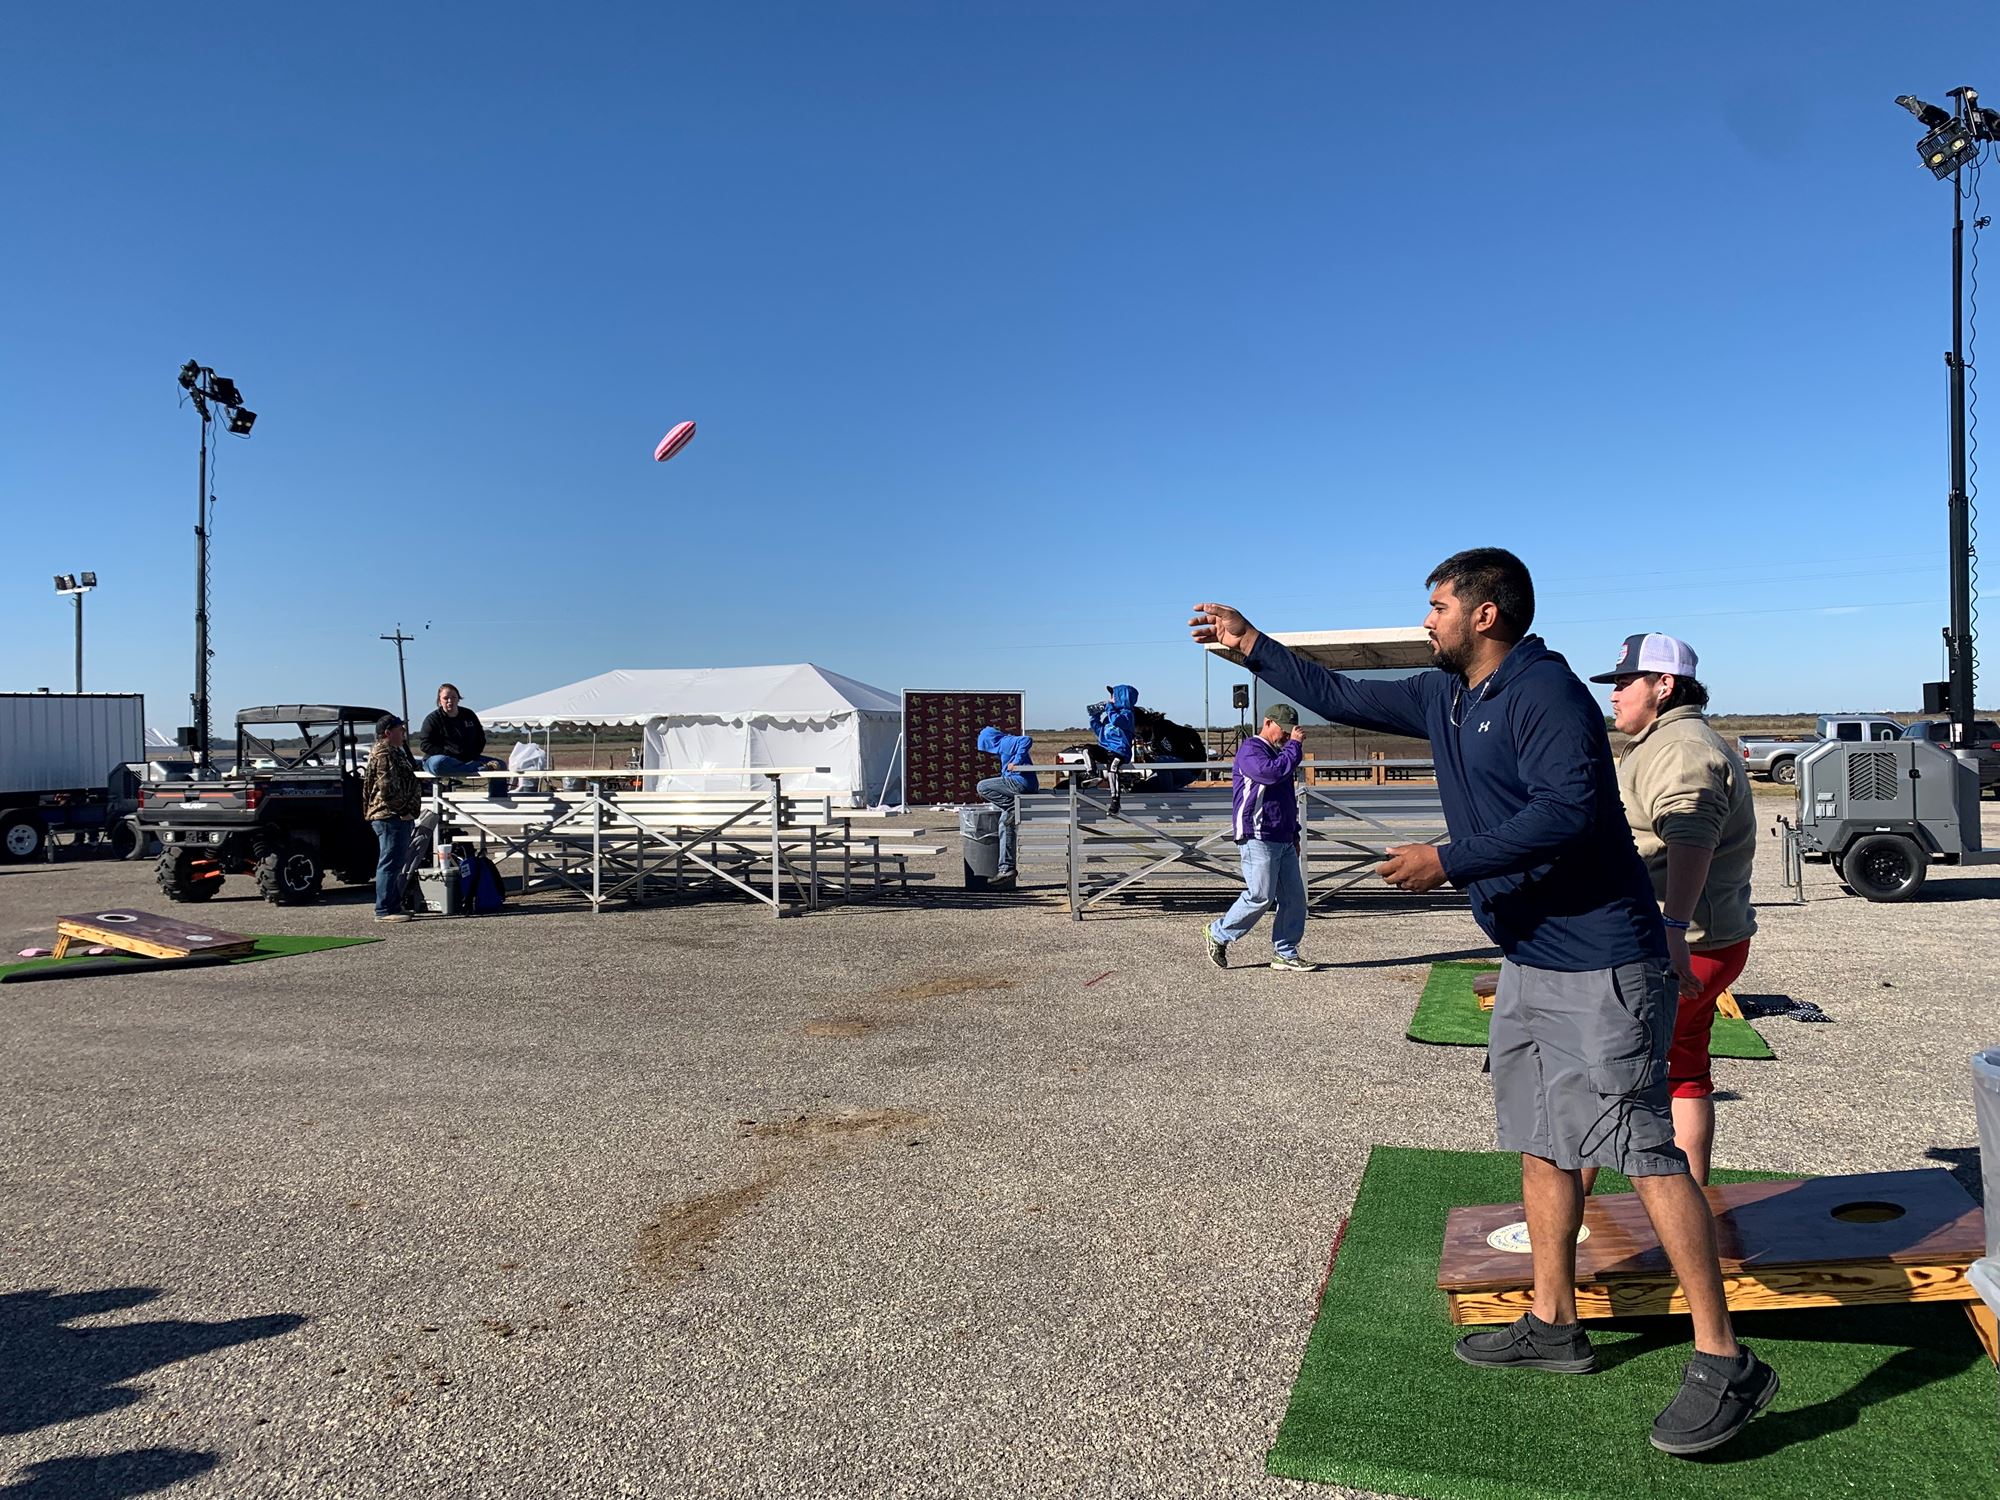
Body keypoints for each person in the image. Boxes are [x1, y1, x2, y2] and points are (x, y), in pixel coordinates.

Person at [1190, 549, 1778, 1457]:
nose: (1426, 621)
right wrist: (1255, 645)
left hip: (1603, 960)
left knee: (1641, 1147)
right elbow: (1342, 695)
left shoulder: (1547, 695)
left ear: (1487, 614)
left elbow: (1572, 812)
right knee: (1542, 1137)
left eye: (1436, 606)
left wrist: (1447, 858)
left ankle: (1724, 1358)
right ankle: (1553, 1322)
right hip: (1532, 957)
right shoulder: (1444, 695)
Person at [1588, 633, 1757, 1187]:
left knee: (1603, 1081)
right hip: (1711, 939)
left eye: (1623, 683)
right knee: (1685, 1072)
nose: (1614, 696)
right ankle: (1696, 1205)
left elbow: (1691, 835)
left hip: (1675, 942)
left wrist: (1673, 927)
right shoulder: (1674, 739)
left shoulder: (1679, 747)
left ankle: (1568, 1221)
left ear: (1663, 685)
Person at [1204, 704, 1314, 971]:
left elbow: (1286, 799)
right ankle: (1218, 933)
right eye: (1283, 730)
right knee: (1260, 895)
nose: (1287, 736)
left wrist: (1294, 833)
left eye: (1291, 732)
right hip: (1257, 834)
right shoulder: (1251, 750)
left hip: (1282, 835)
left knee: (1294, 899)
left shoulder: (1280, 753)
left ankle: (1285, 952)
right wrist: (1294, 747)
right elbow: (1270, 773)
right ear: (1267, 723)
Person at [362, 714, 420, 923]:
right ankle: (384, 909)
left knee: (395, 862)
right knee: (389, 862)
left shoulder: (395, 752)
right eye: (400, 729)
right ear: (388, 732)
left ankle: (394, 904)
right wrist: (403, 810)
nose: (404, 733)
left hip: (394, 815)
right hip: (389, 815)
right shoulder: (384, 753)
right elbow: (387, 788)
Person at [974, 725, 1038, 884]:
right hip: (1021, 784)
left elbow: (1026, 740)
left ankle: (1011, 808)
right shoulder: (1003, 745)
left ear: (990, 741)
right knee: (1005, 824)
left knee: (982, 786)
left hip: (1020, 783)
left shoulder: (1005, 742)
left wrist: (1016, 762)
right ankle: (1006, 868)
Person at [419, 684, 501, 779]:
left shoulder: (469, 715)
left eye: (453, 697)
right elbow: (425, 744)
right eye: (446, 698)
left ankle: (496, 794)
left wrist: (472, 754)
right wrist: (448, 754)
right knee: (438, 764)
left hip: (468, 759)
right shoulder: (432, 719)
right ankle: (480, 767)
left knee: (500, 765)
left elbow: (480, 738)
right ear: (439, 701)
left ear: (458, 699)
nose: (450, 701)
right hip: (441, 759)